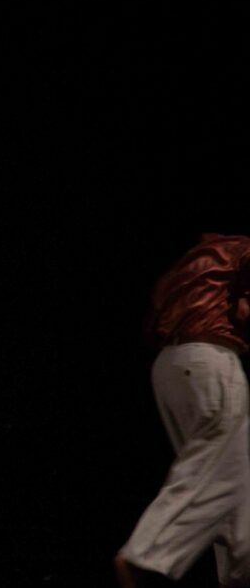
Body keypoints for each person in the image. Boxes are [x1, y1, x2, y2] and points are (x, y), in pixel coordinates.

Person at [115, 233, 250, 588]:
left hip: (170, 367)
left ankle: (239, 574)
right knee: (212, 468)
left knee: (235, 481)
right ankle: (147, 555)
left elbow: (151, 326)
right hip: (210, 360)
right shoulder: (244, 252)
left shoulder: (180, 271)